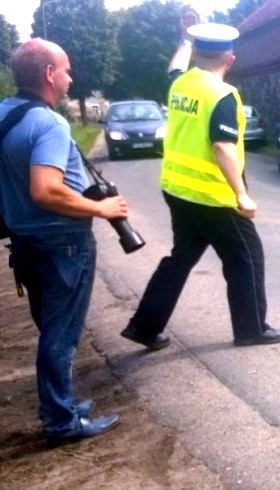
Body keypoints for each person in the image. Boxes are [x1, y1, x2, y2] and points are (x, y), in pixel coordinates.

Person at [121, 20, 280, 349]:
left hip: (178, 190)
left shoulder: (180, 84)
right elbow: (222, 147)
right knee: (246, 256)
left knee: (181, 258)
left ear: (197, 53)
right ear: (230, 59)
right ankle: (251, 328)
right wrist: (242, 195)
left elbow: (174, 67)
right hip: (213, 196)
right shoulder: (222, 95)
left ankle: (144, 327)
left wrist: (185, 40)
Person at [0, 39, 127, 442]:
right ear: (49, 73)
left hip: (24, 240)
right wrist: (101, 209)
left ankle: (61, 404)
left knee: (50, 326)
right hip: (62, 242)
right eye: (66, 70)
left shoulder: (4, 113)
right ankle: (61, 421)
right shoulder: (49, 124)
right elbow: (46, 190)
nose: (71, 78)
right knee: (61, 334)